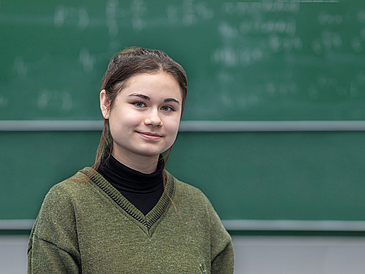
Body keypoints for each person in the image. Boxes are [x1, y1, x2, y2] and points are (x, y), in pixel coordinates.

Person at [27, 47, 234, 273]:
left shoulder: (197, 208)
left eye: (168, 108)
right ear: (106, 104)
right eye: (139, 103)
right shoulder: (67, 204)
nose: (154, 119)